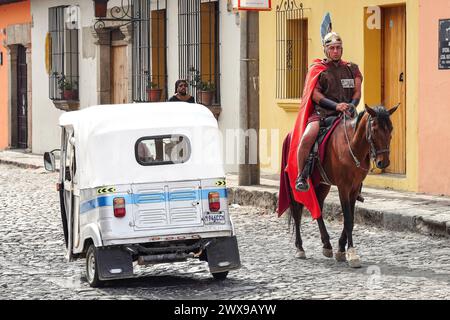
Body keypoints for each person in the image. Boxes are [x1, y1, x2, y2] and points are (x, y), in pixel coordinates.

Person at [294, 30, 363, 193]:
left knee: (367, 138)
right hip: (323, 114)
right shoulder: (318, 69)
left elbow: (357, 91)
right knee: (307, 137)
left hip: (347, 114)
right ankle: (301, 176)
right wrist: (336, 106)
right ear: (325, 50)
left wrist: (352, 105)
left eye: (338, 48)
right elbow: (316, 95)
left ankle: (359, 182)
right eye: (332, 48)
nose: (335, 51)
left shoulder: (352, 69)